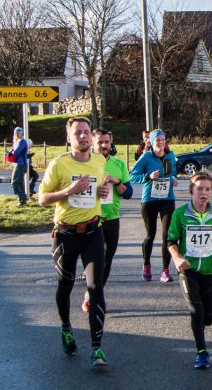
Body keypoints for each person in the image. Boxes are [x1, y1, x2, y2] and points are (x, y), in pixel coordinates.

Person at [38, 116, 111, 367]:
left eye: (86, 132)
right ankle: (66, 328)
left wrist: (102, 192)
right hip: (65, 235)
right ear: (69, 137)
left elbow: (100, 191)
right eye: (77, 132)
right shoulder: (59, 165)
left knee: (95, 288)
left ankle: (96, 348)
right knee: (65, 285)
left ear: (91, 136)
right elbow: (42, 199)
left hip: (93, 232)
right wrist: (68, 192)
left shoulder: (100, 161)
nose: (83, 136)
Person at [167, 171, 212, 369]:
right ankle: (202, 353)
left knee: (209, 318)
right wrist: (177, 257)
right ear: (191, 191)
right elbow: (171, 240)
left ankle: (201, 330)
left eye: (207, 189)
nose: (203, 193)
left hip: (208, 269)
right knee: (197, 312)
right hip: (188, 270)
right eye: (199, 189)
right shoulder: (180, 214)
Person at [80, 128, 133, 313]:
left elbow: (129, 194)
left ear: (111, 144)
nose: (104, 145)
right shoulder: (86, 163)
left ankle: (94, 293)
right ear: (93, 144)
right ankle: (94, 297)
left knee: (107, 260)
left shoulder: (118, 164)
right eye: (100, 142)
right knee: (96, 259)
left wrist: (117, 182)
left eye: (107, 142)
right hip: (91, 218)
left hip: (112, 218)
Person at [130, 129, 178, 283]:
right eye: (157, 140)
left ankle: (165, 271)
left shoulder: (170, 156)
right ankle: (147, 264)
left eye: (163, 140)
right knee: (150, 234)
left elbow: (173, 173)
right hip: (150, 199)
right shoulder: (146, 157)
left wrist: (174, 179)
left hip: (167, 198)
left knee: (167, 235)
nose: (161, 142)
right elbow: (132, 176)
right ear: (151, 142)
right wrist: (148, 176)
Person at [10, 127, 29, 206]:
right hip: (18, 164)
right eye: (15, 133)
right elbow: (13, 152)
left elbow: (16, 152)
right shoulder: (16, 142)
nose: (17, 134)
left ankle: (23, 197)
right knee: (20, 183)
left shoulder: (22, 142)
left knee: (14, 183)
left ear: (22, 133)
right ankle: (22, 201)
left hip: (20, 165)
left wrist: (10, 154)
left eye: (18, 133)